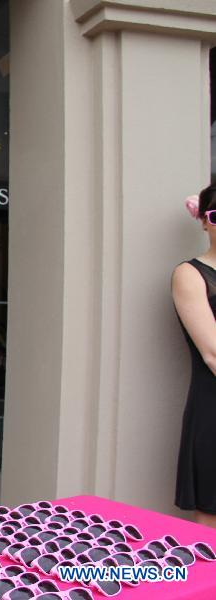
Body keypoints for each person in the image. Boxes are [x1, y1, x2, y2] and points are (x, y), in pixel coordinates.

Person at [173, 186, 216, 528]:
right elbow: (213, 353)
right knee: (212, 513)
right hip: (212, 407)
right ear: (203, 221)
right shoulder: (190, 274)